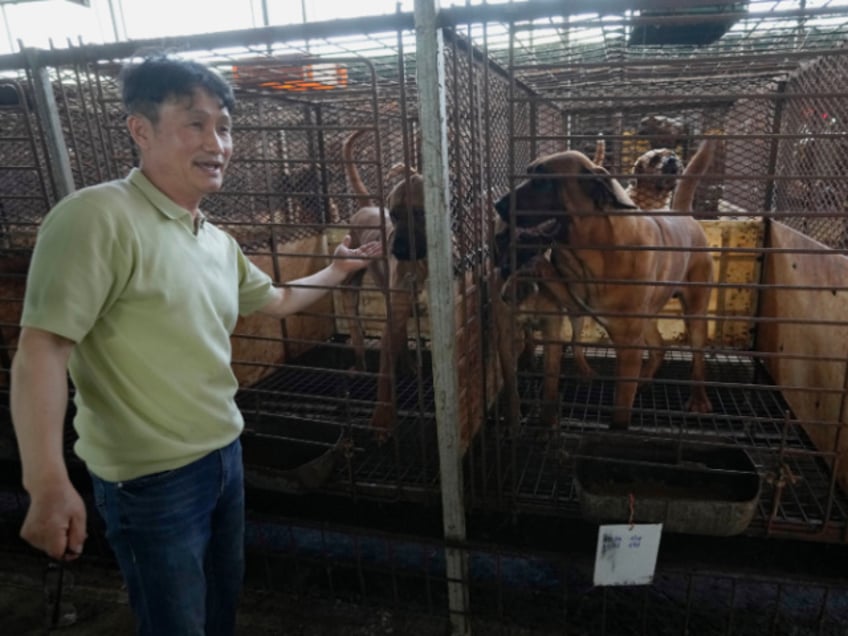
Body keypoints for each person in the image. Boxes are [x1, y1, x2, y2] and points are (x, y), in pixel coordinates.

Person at [10, 54, 381, 636]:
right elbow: (42, 350)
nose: (218, 142)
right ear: (140, 130)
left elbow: (278, 300)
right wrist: (47, 482)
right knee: (175, 624)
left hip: (223, 456)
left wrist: (337, 271)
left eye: (225, 126)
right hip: (150, 481)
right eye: (195, 123)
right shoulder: (96, 218)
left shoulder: (212, 239)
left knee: (217, 610)